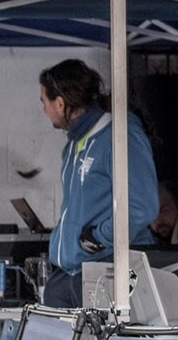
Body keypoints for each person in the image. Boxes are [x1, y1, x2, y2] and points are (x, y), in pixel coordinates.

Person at [38, 59, 157, 308]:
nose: (43, 109)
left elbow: (142, 208)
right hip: (71, 273)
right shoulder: (72, 146)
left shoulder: (121, 135)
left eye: (44, 102)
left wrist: (98, 238)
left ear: (60, 103)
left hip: (107, 272)